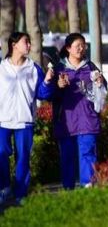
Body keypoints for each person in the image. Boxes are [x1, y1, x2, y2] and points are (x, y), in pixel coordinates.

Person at [43, 33, 107, 189]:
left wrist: (100, 83)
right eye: (77, 45)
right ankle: (68, 190)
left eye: (83, 45)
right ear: (68, 48)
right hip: (66, 123)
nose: (81, 48)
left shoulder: (91, 67)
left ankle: (88, 187)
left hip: (88, 120)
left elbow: (103, 92)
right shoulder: (59, 69)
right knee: (67, 158)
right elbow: (48, 95)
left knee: (88, 155)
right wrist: (58, 86)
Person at [0, 32, 54, 204]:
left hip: (25, 120)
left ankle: (20, 194)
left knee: (23, 158)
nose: (29, 45)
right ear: (14, 45)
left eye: (30, 42)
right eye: (26, 42)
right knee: (1, 154)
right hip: (2, 120)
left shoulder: (34, 68)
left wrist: (47, 81)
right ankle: (4, 188)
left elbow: (42, 94)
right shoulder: (1, 67)